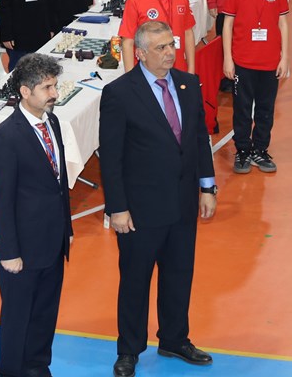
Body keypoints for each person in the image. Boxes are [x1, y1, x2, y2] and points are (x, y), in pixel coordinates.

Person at [100, 20, 217, 377]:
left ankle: (175, 339)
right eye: (161, 48)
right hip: (140, 210)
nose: (170, 53)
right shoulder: (120, 93)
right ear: (140, 53)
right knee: (135, 280)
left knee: (179, 274)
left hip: (182, 203)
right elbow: (111, 157)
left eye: (171, 45)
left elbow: (199, 139)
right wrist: (117, 208)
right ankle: (129, 349)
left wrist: (207, 187)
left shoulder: (188, 84)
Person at [0, 53, 73, 377]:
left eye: (54, 86)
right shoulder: (7, 136)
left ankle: (37, 366)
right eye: (47, 88)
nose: (54, 93)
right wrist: (9, 251)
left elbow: (59, 181)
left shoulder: (53, 122)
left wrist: (66, 229)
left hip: (52, 241)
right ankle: (11, 371)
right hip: (21, 249)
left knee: (45, 313)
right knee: (17, 318)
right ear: (25, 91)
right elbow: (2, 199)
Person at [222, 0, 289, 175]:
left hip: (270, 62)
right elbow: (227, 25)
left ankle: (260, 149)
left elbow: (283, 24)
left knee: (265, 109)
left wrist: (284, 57)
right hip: (243, 61)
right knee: (242, 109)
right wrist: (228, 58)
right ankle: (242, 150)